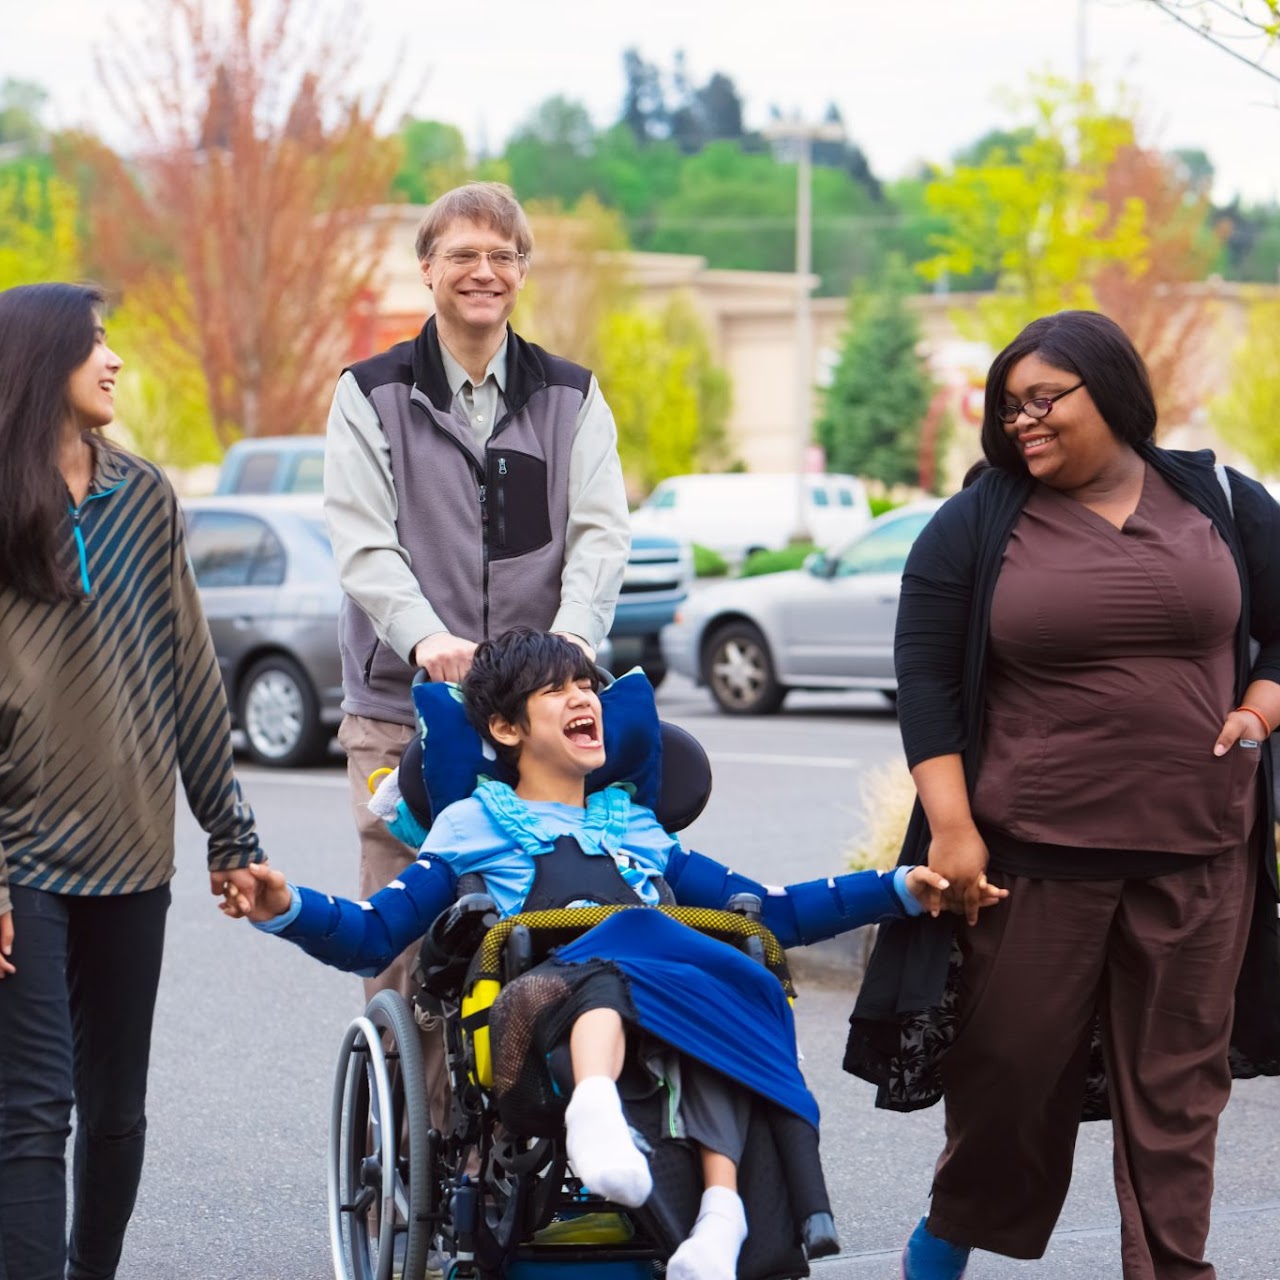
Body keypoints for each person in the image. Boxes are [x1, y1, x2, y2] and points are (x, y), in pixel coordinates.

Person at [222, 627, 997, 1279]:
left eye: (587, 683)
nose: (583, 696)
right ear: (505, 730)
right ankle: (594, 1109)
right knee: (618, 959)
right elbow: (371, 934)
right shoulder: (472, 827)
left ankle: (723, 1215)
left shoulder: (639, 833)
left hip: (661, 1015)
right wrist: (282, 907)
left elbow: (776, 911)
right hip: (536, 1030)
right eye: (557, 690)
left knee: (732, 983)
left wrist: (900, 888)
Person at [841, 310, 1280, 1280]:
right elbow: (926, 679)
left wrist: (1260, 699)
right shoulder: (979, 519)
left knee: (1177, 1096)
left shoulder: (1215, 498)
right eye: (1008, 406)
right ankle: (944, 1238)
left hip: (1198, 853)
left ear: (1111, 390)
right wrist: (950, 827)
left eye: (1045, 399)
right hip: (1032, 860)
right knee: (1005, 1082)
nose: (1022, 421)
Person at [322, 181, 631, 1150]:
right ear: (426, 267)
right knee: (411, 941)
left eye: (501, 255)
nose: (483, 271)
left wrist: (574, 638)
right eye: (462, 254)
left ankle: (526, 1141)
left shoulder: (569, 395)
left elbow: (599, 533)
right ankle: (415, 1144)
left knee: (549, 918)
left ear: (520, 272)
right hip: (400, 710)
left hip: (536, 721)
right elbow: (365, 544)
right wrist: (426, 639)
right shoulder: (368, 393)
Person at [0, 282, 265, 1280]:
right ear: (36, 364)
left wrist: (230, 831)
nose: (113, 360)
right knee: (31, 1111)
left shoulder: (143, 498)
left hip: (129, 842)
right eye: (93, 343)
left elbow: (188, 669)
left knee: (116, 1109)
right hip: (18, 846)